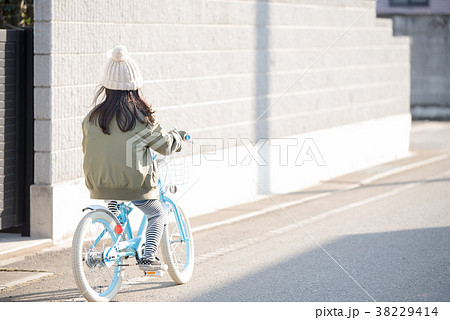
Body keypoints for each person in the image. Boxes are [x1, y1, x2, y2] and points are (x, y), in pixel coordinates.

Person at [82, 46, 187, 271]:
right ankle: (148, 257)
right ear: (135, 87)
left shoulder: (91, 117)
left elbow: (86, 148)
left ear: (106, 87)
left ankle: (116, 232)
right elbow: (165, 146)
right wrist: (178, 137)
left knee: (117, 206)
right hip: (133, 184)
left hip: (99, 183)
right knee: (157, 213)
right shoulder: (140, 117)